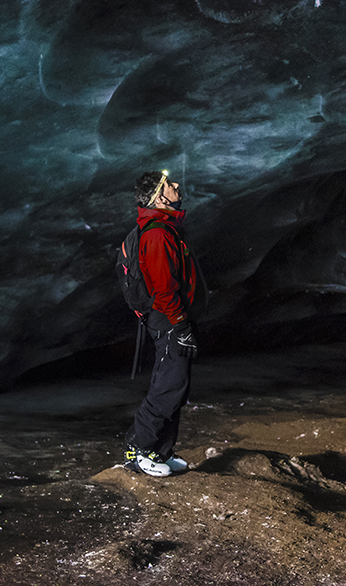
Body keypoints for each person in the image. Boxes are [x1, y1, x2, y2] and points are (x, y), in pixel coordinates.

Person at [121, 170, 206, 477]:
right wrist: (180, 326)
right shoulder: (157, 234)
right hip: (169, 319)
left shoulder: (167, 228)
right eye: (169, 185)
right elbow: (163, 288)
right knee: (167, 386)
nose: (176, 186)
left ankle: (161, 450)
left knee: (177, 386)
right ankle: (138, 450)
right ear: (159, 197)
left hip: (175, 318)